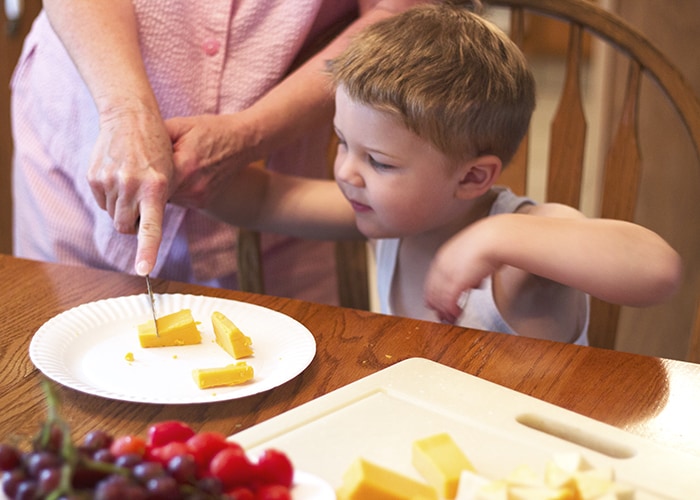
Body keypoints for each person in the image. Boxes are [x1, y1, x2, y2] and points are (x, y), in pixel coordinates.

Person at [181, 1, 682, 344]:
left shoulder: (522, 261)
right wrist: (178, 173)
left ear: (471, 179)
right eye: (342, 144)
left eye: (378, 161)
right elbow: (264, 201)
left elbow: (657, 269)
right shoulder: (391, 211)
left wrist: (497, 237)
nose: (348, 173)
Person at [11, 0, 425, 305]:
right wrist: (124, 112)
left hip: (285, 177)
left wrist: (250, 134)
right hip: (78, 123)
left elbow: (396, 14)